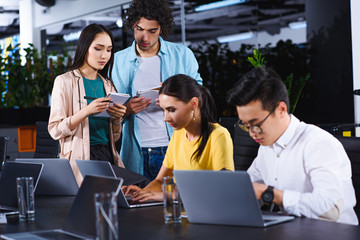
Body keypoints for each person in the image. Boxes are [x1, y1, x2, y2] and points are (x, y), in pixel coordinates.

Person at [225, 66, 358, 225]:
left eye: (256, 124)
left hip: (334, 234)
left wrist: (271, 194)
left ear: (281, 109)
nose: (252, 133)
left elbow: (330, 209)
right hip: (293, 231)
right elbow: (250, 192)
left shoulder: (318, 143)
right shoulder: (266, 148)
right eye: (245, 125)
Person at [111, 0, 202, 180]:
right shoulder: (117, 61)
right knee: (137, 203)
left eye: (152, 31)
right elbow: (109, 108)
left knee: (176, 204)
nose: (145, 37)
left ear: (161, 29)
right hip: (134, 152)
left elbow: (200, 98)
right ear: (132, 26)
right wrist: (127, 109)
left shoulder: (182, 55)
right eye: (139, 29)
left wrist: (174, 102)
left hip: (175, 146)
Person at [123, 74, 234, 201]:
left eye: (171, 110)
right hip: (180, 212)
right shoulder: (179, 133)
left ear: (193, 104)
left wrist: (171, 195)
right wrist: (141, 194)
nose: (165, 118)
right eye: (164, 110)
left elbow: (224, 188)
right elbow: (160, 181)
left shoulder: (218, 135)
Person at [48, 23, 126, 185]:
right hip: (80, 156)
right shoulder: (64, 81)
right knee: (88, 207)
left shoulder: (108, 85)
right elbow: (55, 130)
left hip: (107, 155)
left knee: (111, 207)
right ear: (85, 48)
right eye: (98, 48)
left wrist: (117, 119)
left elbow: (115, 136)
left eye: (109, 50)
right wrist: (86, 111)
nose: (104, 55)